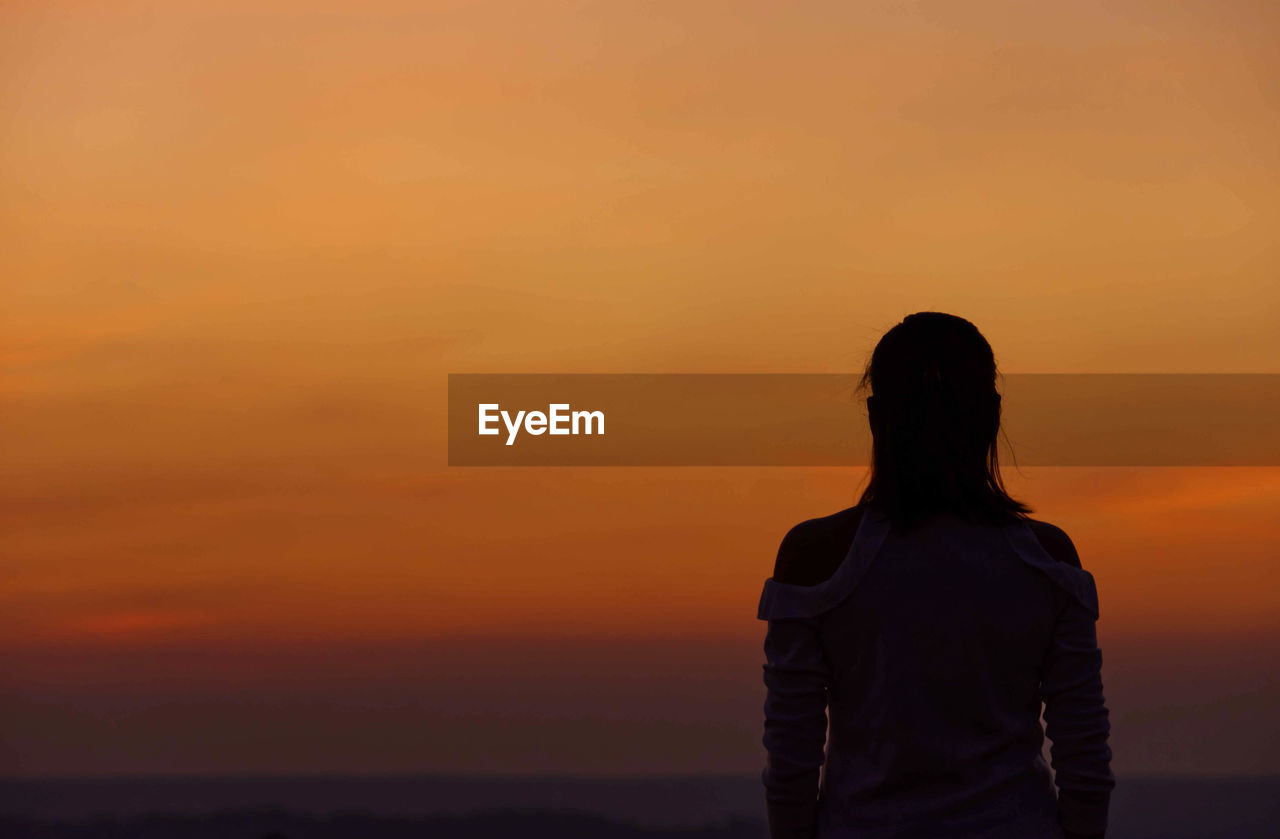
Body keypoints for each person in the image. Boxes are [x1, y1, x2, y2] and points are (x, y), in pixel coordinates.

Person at [757, 312, 1114, 839]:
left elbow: (792, 766)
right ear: (991, 416)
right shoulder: (1047, 560)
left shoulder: (815, 558)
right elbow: (1084, 766)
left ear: (877, 419)